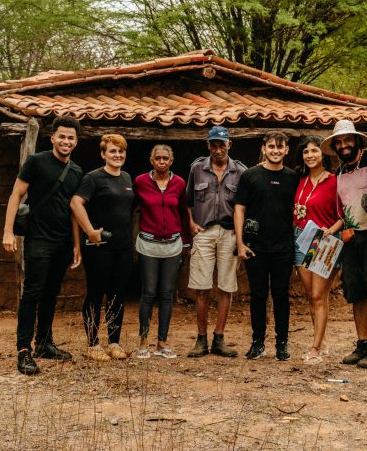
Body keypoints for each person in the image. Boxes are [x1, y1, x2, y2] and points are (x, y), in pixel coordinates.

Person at [3, 116, 84, 376]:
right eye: (62, 136)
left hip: (62, 241)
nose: (66, 141)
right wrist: (8, 232)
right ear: (52, 138)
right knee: (32, 293)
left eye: (71, 137)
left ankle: (45, 343)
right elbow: (16, 194)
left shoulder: (76, 171)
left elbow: (73, 210)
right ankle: (23, 350)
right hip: (38, 238)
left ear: (76, 141)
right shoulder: (37, 162)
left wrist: (75, 244)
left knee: (51, 293)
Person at [321, 119, 367, 369]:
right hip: (351, 238)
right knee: (356, 292)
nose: (344, 145)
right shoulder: (341, 171)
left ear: (356, 141)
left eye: (347, 141)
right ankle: (362, 343)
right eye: (339, 142)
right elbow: (345, 209)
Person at [234, 131, 300, 361]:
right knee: (258, 295)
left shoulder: (293, 177)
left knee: (281, 295)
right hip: (255, 247)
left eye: (280, 147)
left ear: (287, 150)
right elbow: (239, 209)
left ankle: (282, 343)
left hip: (283, 246)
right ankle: (257, 342)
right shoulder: (250, 175)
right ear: (264, 148)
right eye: (271, 146)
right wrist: (240, 243)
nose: (275, 150)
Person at [71, 134, 134, 362]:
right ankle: (93, 344)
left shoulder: (127, 178)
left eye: (121, 151)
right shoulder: (93, 178)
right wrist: (89, 230)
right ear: (103, 154)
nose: (117, 155)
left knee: (117, 294)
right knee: (96, 294)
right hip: (99, 247)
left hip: (123, 247)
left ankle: (114, 342)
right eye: (112, 151)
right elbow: (75, 203)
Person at [185, 126, 246, 358]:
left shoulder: (240, 171)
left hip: (230, 233)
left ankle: (219, 338)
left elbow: (245, 205)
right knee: (201, 287)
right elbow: (188, 200)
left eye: (222, 144)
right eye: (214, 145)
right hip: (204, 231)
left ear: (229, 144)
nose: (218, 149)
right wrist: (191, 224)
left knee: (226, 287)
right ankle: (201, 339)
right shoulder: (197, 168)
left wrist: (241, 236)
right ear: (208, 145)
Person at [133, 145, 190, 359]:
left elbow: (184, 214)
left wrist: (185, 241)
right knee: (148, 292)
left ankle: (162, 342)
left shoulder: (179, 183)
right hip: (148, 243)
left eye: (166, 158)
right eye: (158, 158)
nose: (162, 162)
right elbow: (131, 207)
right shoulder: (140, 182)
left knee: (167, 294)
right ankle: (143, 340)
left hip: (173, 245)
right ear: (151, 160)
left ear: (172, 160)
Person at [292, 136, 343, 364]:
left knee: (318, 295)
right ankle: (321, 343)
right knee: (311, 297)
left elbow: (344, 216)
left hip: (324, 241)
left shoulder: (334, 181)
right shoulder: (300, 180)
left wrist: (330, 230)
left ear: (323, 154)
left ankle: (314, 348)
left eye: (314, 151)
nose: (310, 155)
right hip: (301, 240)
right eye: (306, 152)